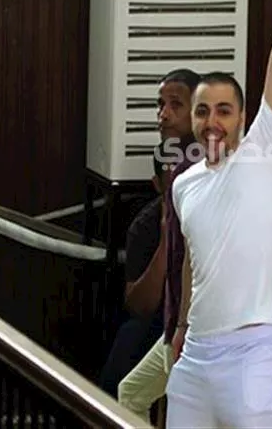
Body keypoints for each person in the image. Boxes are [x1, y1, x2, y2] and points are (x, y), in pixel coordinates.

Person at [164, 0, 272, 428]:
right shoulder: (183, 185)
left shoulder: (263, 151)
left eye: (224, 111)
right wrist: (182, 325)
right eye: (203, 111)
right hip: (195, 354)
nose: (213, 121)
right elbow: (194, 258)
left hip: (253, 354)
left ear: (244, 118)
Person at [115, 68, 201, 422]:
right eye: (160, 105)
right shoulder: (154, 215)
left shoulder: (216, 173)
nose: (163, 115)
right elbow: (139, 302)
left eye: (175, 105)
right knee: (128, 393)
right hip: (176, 319)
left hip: (213, 322)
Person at [97, 148, 167, 396]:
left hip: (211, 320)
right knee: (130, 338)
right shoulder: (145, 226)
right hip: (162, 321)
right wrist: (166, 244)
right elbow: (139, 307)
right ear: (158, 185)